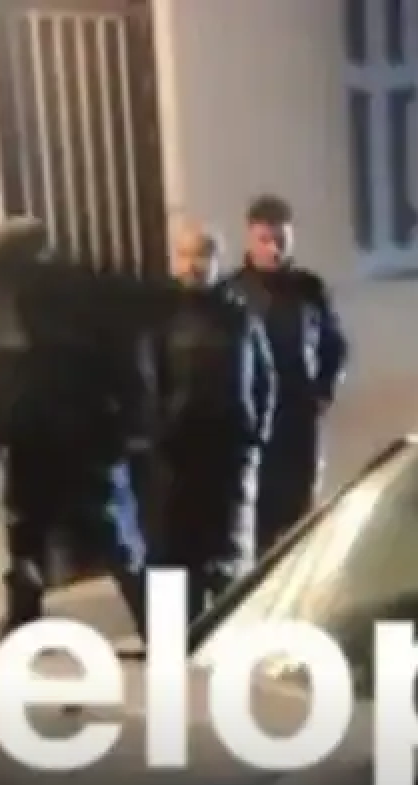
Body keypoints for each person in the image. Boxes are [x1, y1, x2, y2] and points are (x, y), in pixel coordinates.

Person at [0, 216, 152, 639]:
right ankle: (163, 637)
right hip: (62, 441)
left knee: (52, 546)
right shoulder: (11, 302)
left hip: (65, 442)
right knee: (98, 546)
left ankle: (24, 638)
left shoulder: (14, 302)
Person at [151, 220, 275, 613]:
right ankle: (183, 637)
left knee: (232, 558)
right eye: (186, 255)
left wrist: (257, 434)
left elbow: (265, 378)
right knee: (177, 560)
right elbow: (146, 379)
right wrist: (156, 434)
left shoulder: (240, 316)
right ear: (174, 260)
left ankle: (232, 632)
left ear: (217, 261)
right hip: (177, 457)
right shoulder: (161, 319)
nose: (194, 265)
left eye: (203, 255)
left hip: (231, 454)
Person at [228, 194, 348, 555]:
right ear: (250, 238)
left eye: (280, 240)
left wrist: (324, 391)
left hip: (299, 419)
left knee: (301, 515)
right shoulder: (234, 292)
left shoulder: (309, 288)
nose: (274, 249)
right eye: (265, 240)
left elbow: (334, 345)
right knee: (257, 517)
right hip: (255, 424)